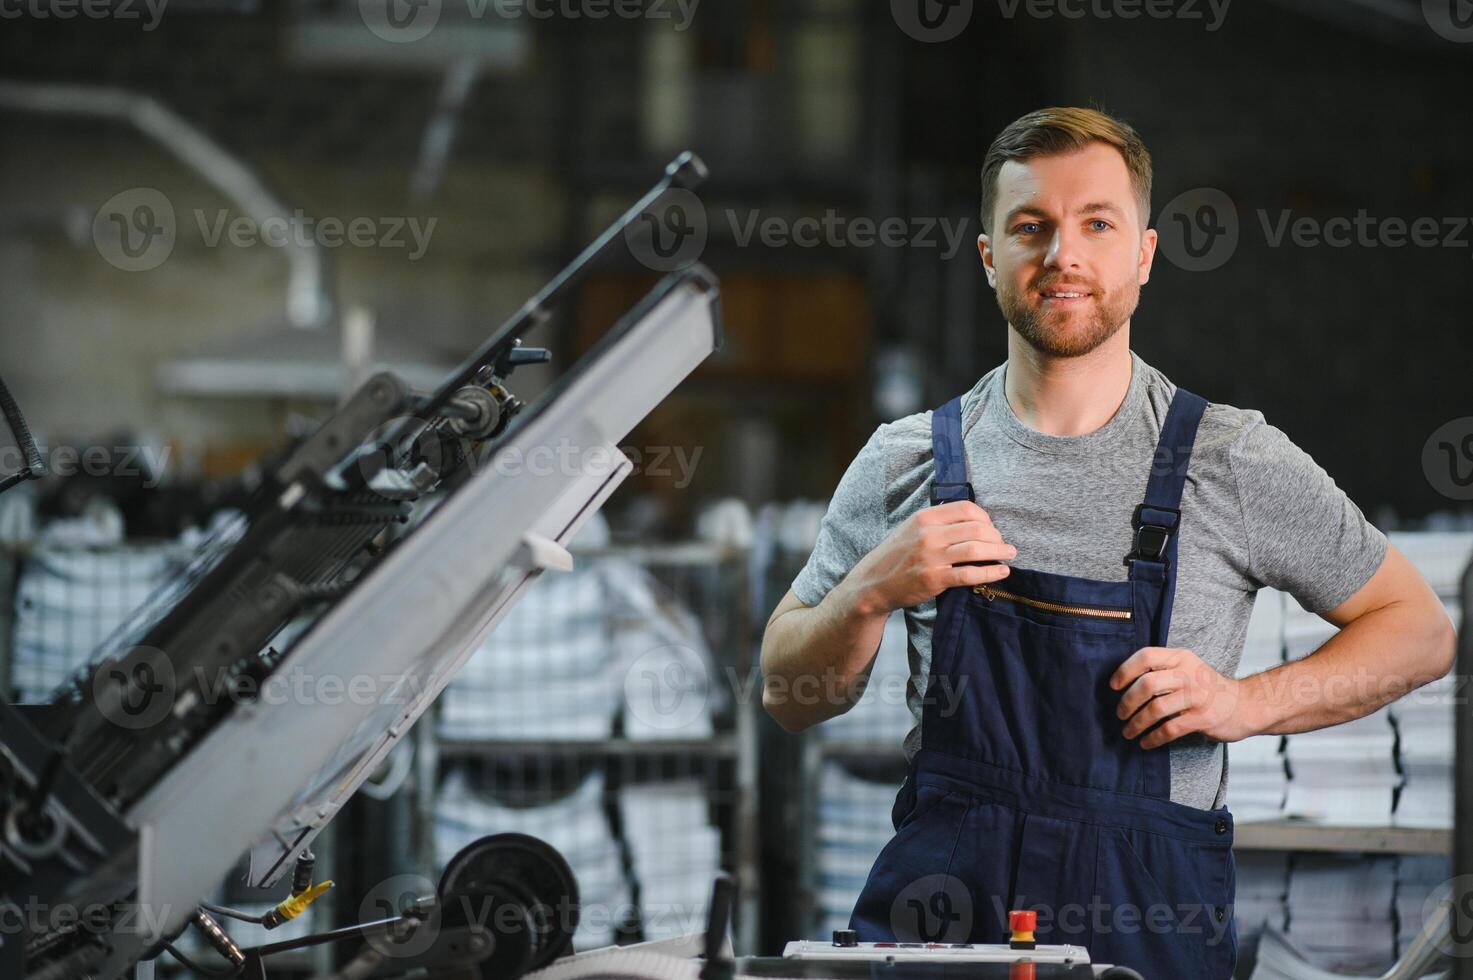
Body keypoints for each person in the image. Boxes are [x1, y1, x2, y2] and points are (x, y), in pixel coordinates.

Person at [758, 106, 1456, 978]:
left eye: (1096, 224)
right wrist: (868, 591)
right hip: (947, 927)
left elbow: (1419, 629)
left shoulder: (1228, 458)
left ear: (1143, 256)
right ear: (989, 259)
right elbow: (787, 694)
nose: (1063, 256)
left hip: (1143, 927)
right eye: (1030, 227)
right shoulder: (902, 460)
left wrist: (1242, 705)